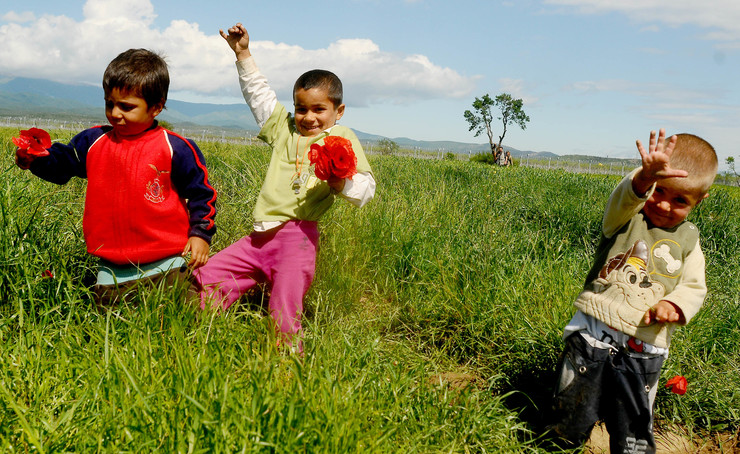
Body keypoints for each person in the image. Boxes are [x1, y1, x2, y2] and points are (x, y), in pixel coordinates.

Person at [194, 23, 375, 353]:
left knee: (284, 315)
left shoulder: (342, 137)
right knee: (206, 280)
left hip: (297, 240)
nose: (308, 117)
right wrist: (243, 53)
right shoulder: (285, 129)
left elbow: (366, 186)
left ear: (339, 111)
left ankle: (286, 371)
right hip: (258, 237)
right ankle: (197, 338)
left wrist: (341, 183)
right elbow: (259, 95)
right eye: (301, 108)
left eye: (319, 109)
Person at [547, 129, 717, 453]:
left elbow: (694, 287)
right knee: (570, 412)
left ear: (700, 199)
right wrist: (642, 180)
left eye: (680, 199)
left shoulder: (689, 243)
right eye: (658, 190)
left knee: (634, 430)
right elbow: (626, 196)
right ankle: (560, 444)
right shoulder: (625, 218)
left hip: (645, 349)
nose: (664, 204)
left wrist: (674, 305)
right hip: (592, 336)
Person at [15, 48, 217, 305]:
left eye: (126, 106)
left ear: (156, 107)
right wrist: (36, 158)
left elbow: (203, 193)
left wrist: (200, 234)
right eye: (109, 103)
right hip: (110, 271)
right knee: (112, 336)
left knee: (183, 329)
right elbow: (62, 165)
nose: (115, 113)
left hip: (168, 266)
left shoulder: (175, 147)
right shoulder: (93, 141)